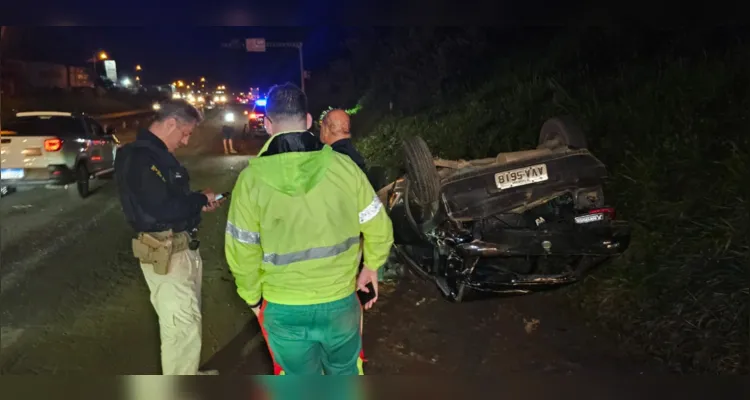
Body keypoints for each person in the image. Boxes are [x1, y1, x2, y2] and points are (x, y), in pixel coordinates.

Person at [224, 83, 394, 375]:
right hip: (340, 302)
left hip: (283, 307)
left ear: (266, 124)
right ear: (307, 121)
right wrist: (371, 267)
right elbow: (379, 227)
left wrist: (252, 298)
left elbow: (242, 251)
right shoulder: (345, 168)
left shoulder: (250, 181)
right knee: (345, 373)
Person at [114, 99, 223, 375]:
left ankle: (187, 374)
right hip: (164, 250)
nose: (186, 141)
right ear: (171, 123)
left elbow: (170, 200)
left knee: (186, 321)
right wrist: (198, 199)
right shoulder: (140, 157)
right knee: (180, 325)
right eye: (185, 133)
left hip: (179, 247)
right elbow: (159, 207)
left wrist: (198, 203)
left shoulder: (156, 154)